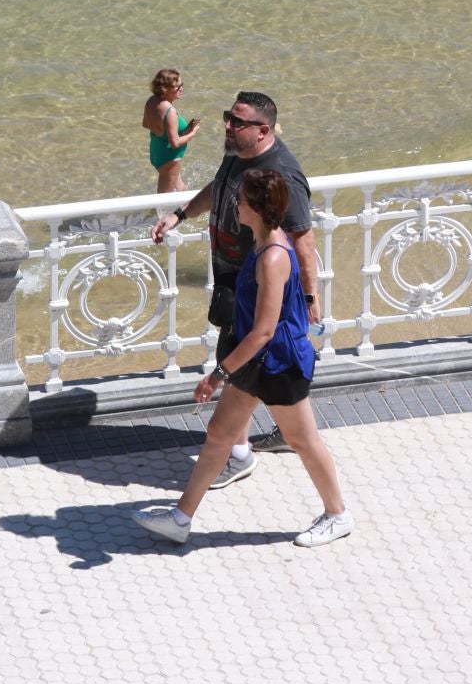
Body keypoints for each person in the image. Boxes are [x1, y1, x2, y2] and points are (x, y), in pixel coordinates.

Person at [134, 168, 352, 549]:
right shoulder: (260, 242)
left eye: (242, 199)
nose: (235, 203)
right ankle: (181, 519)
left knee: (303, 441)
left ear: (259, 208)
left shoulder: (273, 257)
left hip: (280, 363)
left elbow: (264, 332)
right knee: (220, 433)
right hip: (256, 362)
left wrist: (218, 374)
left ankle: (337, 515)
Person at [151, 90, 318, 482]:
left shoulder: (282, 174)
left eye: (238, 122)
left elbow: (303, 240)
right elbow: (220, 186)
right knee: (253, 363)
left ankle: (240, 453)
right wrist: (180, 214)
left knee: (238, 361)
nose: (228, 125)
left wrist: (310, 297)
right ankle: (277, 433)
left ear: (263, 130)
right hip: (233, 278)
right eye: (229, 117)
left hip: (258, 286)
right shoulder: (237, 154)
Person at [142, 69, 200, 194]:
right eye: (177, 86)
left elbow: (146, 124)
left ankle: (189, 205)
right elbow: (175, 143)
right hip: (170, 159)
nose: (181, 89)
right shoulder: (170, 111)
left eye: (182, 84)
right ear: (165, 89)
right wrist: (192, 133)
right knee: (163, 200)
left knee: (181, 190)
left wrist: (163, 132)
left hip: (157, 151)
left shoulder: (151, 101)